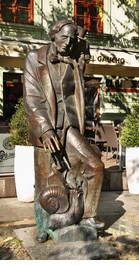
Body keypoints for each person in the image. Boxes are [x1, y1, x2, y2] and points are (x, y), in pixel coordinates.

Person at [23, 19, 104, 243]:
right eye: (63, 37)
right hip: (46, 129)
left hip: (69, 126)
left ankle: (87, 215)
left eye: (71, 39)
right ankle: (43, 226)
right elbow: (31, 98)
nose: (67, 43)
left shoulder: (74, 59)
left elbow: (83, 47)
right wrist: (45, 128)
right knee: (45, 181)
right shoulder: (33, 58)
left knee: (96, 166)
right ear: (53, 35)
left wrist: (80, 38)